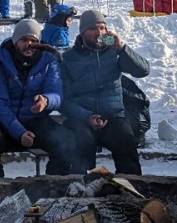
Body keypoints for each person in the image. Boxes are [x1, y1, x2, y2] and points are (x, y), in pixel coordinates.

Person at [59, 9, 149, 176]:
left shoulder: (114, 52)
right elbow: (63, 99)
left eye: (102, 28)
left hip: (113, 116)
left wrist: (122, 48)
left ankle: (131, 183)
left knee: (125, 139)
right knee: (81, 140)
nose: (99, 33)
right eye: (93, 29)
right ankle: (81, 184)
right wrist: (86, 116)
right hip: (82, 118)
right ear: (83, 32)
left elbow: (143, 71)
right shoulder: (69, 58)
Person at [0, 18, 66, 179]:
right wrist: (20, 132)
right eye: (24, 40)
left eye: (33, 40)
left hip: (36, 120)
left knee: (66, 140)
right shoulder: (1, 62)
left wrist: (46, 101)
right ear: (15, 41)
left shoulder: (48, 61)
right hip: (6, 122)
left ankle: (54, 185)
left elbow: (56, 94)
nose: (29, 44)